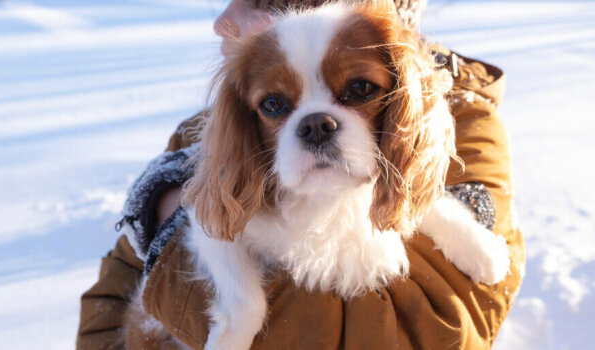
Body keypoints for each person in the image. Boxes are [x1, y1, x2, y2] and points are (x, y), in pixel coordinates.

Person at [76, 0, 525, 349]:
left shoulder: (465, 127)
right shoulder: (216, 127)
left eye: (359, 90)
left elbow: (433, 334)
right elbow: (108, 307)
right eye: (275, 104)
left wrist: (170, 221)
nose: (222, 21)